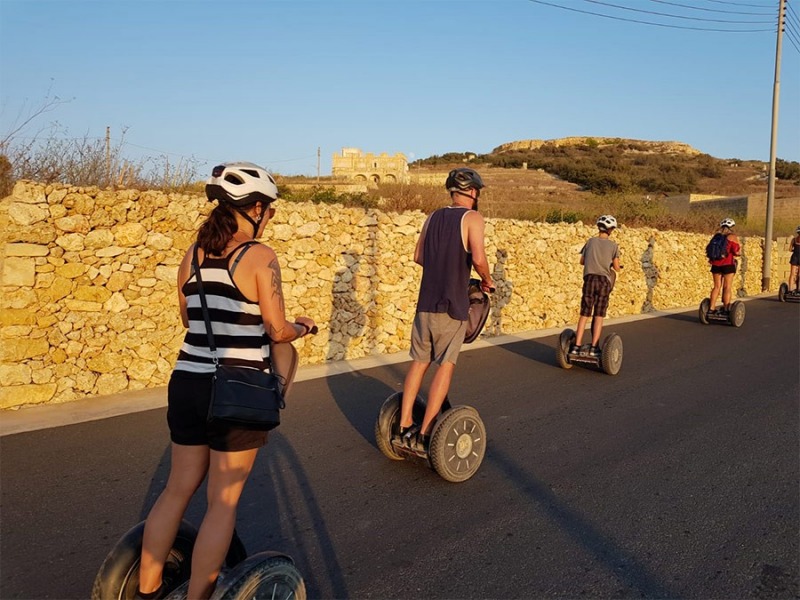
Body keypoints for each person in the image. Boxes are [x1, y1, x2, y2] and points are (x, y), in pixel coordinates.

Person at [136, 162, 316, 600]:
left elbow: (187, 318)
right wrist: (302, 326)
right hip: (237, 389)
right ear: (255, 208)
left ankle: (147, 590)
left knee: (177, 490)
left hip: (188, 381)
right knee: (223, 501)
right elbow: (276, 331)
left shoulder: (192, 255)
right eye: (270, 211)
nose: (270, 218)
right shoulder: (259, 256)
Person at [398, 167, 494, 450]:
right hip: (452, 305)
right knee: (446, 364)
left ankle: (404, 425)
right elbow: (478, 257)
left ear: (453, 191)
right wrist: (487, 280)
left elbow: (418, 256)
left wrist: (441, 267)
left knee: (419, 362)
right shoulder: (472, 218)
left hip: (425, 303)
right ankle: (426, 432)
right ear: (474, 192)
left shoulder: (432, 217)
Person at [570, 215, 622, 357]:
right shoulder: (613, 246)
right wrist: (611, 264)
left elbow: (582, 261)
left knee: (584, 314)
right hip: (603, 282)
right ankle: (594, 348)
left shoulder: (590, 242)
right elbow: (616, 268)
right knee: (598, 315)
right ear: (610, 229)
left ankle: (577, 346)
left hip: (589, 279)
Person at [708, 217, 741, 314]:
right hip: (727, 265)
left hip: (715, 265)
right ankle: (726, 309)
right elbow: (736, 252)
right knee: (727, 287)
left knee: (716, 287)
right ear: (732, 227)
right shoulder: (732, 237)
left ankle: (711, 308)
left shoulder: (716, 237)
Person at [788, 225, 800, 291]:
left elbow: (790, 249)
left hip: (795, 257)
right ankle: (798, 289)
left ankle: (790, 289)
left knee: (792, 274)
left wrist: (795, 250)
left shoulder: (794, 240)